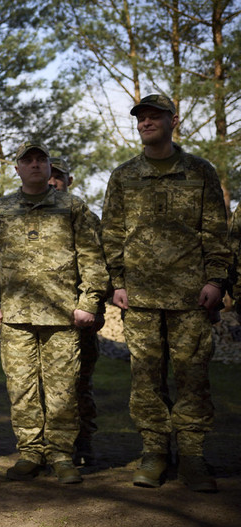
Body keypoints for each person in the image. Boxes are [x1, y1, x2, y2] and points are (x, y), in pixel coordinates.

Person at [101, 94, 230, 493]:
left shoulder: (200, 172)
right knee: (146, 380)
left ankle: (191, 455)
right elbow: (112, 234)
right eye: (141, 118)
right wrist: (117, 283)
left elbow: (216, 232)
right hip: (139, 298)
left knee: (193, 378)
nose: (146, 123)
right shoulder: (124, 175)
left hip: (191, 297)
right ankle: (154, 452)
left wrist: (215, 281)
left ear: (174, 121)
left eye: (154, 117)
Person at [0, 143, 108, 484]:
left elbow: (93, 260)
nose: (34, 165)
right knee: (22, 389)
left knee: (63, 390)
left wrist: (88, 303)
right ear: (17, 169)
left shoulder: (71, 207)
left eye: (41, 160)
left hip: (63, 317)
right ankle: (31, 452)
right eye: (27, 161)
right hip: (16, 318)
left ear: (50, 167)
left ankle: (62, 454)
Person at [49, 157, 106, 466]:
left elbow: (99, 264)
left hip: (78, 316)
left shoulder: (83, 214)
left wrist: (95, 309)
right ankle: (48, 443)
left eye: (59, 177)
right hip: (44, 316)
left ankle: (83, 440)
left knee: (79, 384)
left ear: (69, 181)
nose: (52, 181)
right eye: (50, 176)